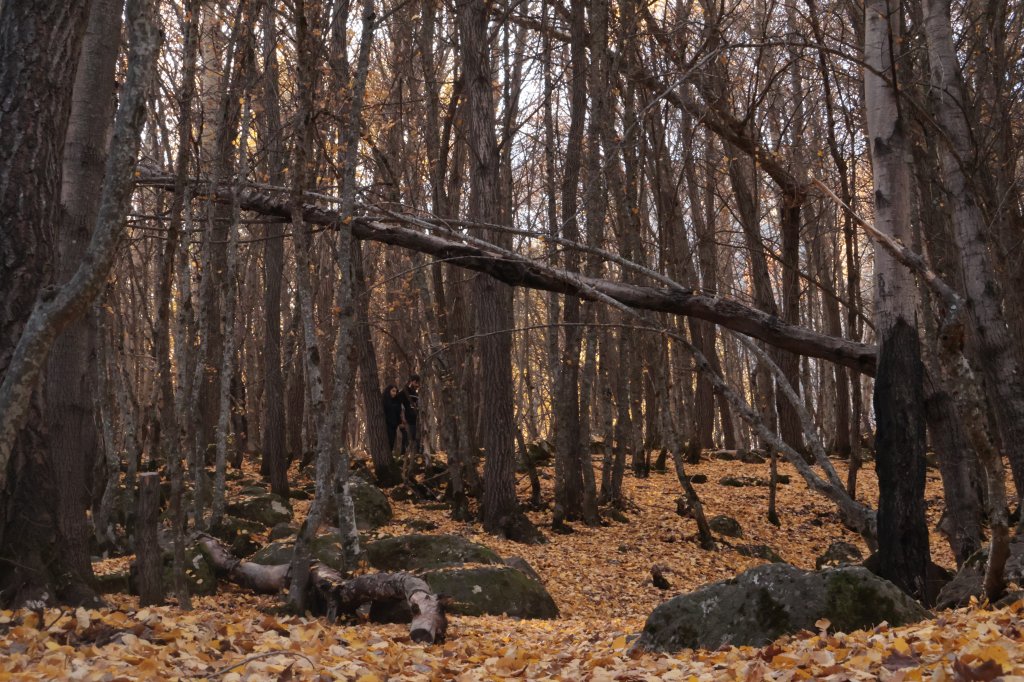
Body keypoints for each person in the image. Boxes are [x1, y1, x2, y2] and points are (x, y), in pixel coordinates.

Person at [398, 374, 421, 455]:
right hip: (405, 420)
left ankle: (414, 455)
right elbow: (399, 406)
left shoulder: (416, 394)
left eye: (418, 383)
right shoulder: (403, 392)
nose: (417, 385)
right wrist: (402, 419)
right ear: (412, 381)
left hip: (414, 419)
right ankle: (403, 455)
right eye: (416, 383)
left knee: (414, 437)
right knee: (406, 438)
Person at [381, 384, 404, 453]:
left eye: (396, 391)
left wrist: (400, 423)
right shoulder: (383, 400)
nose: (395, 393)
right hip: (385, 425)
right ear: (388, 391)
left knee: (391, 443)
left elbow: (398, 414)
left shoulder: (396, 401)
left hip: (393, 426)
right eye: (393, 391)